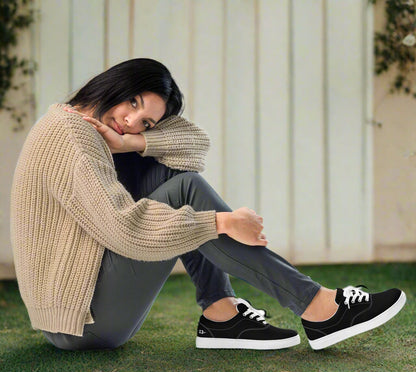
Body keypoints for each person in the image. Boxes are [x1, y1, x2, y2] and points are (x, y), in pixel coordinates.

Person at [10, 58, 406, 352]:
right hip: (82, 322)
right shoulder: (72, 138)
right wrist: (219, 222)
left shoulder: (92, 129)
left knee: (182, 181)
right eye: (131, 103)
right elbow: (124, 230)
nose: (131, 121)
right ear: (112, 83)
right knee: (187, 192)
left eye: (146, 122)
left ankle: (222, 313)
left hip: (84, 310)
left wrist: (136, 143)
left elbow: (195, 146)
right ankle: (317, 306)